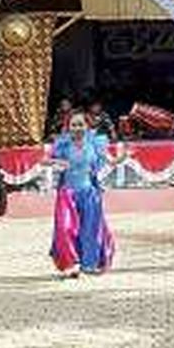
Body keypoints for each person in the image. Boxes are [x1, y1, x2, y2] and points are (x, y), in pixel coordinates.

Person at [44, 112, 126, 278]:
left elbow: (111, 161)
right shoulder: (63, 145)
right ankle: (71, 264)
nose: (77, 128)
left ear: (87, 126)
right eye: (73, 125)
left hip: (89, 194)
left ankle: (89, 264)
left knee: (90, 230)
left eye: (80, 124)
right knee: (65, 228)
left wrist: (123, 157)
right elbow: (44, 161)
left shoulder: (95, 144)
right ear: (68, 127)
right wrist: (57, 162)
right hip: (67, 193)